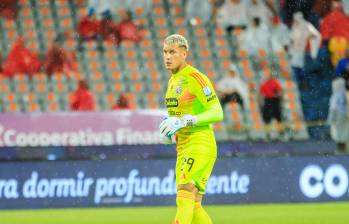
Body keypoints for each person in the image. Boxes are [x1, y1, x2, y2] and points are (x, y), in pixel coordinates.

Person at [159, 34, 223, 224]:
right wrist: (170, 131)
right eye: (165, 52)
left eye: (173, 52)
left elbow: (218, 112)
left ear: (184, 54)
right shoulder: (173, 81)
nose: (167, 57)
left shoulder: (196, 78)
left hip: (200, 143)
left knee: (184, 192)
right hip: (183, 147)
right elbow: (178, 116)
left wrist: (186, 121)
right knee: (193, 204)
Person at [259, 71, 284, 137]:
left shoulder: (274, 83)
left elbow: (280, 92)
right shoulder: (266, 83)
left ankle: (279, 133)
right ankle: (270, 133)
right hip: (270, 100)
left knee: (277, 118)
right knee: (273, 118)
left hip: (272, 101)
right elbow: (280, 93)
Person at [327, 78, 348, 153]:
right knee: (344, 134)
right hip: (344, 117)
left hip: (339, 117)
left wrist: (330, 120)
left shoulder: (335, 96)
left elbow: (333, 108)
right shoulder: (345, 93)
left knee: (339, 134)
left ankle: (341, 151)